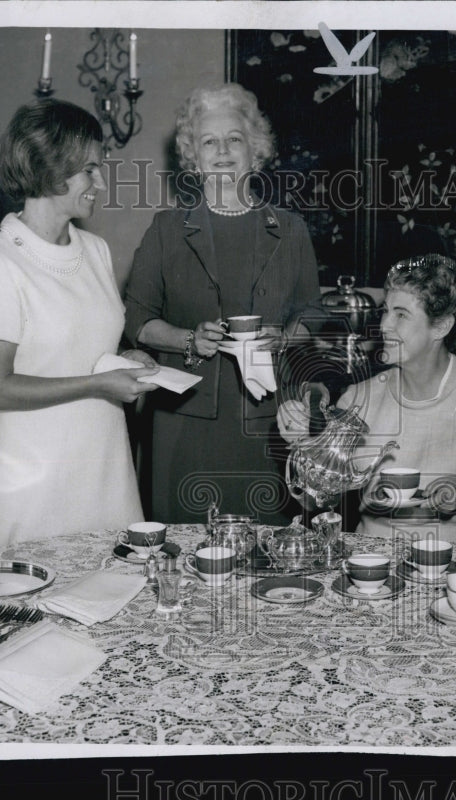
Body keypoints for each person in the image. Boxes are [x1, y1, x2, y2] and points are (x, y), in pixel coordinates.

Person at [0, 100, 160, 551]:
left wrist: (125, 359)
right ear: (49, 168)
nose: (100, 182)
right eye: (89, 169)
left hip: (105, 468)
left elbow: (86, 348)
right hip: (34, 479)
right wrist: (97, 383)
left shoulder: (96, 251)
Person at [124, 83, 320, 523]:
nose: (223, 151)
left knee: (266, 548)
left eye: (235, 139)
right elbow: (137, 319)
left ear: (255, 150)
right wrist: (187, 339)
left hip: (268, 417)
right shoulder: (166, 230)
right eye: (209, 142)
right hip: (186, 417)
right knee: (188, 545)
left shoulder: (289, 229)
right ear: (194, 158)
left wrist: (286, 337)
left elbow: (312, 312)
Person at [279, 254, 456, 542]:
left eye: (401, 315)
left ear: (441, 326)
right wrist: (301, 444)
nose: (384, 326)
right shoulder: (360, 397)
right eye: (385, 311)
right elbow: (316, 498)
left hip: (447, 564)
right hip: (370, 563)